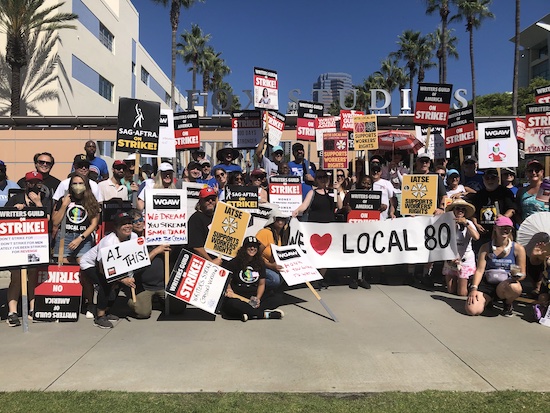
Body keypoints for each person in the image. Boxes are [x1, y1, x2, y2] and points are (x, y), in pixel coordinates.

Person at [4, 171, 52, 326]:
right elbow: (3, 217)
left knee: (33, 276)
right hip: (17, 244)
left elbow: (48, 220)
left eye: (37, 182)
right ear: (26, 184)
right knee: (16, 277)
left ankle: (33, 309)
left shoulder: (45, 198)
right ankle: (12, 312)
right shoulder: (15, 198)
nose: (34, 185)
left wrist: (38, 204)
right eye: (31, 182)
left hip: (35, 244)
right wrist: (14, 210)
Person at [126, 209, 186, 318]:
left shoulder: (156, 233)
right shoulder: (129, 240)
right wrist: (156, 251)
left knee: (178, 307)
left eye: (140, 220)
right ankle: (134, 299)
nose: (138, 223)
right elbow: (137, 263)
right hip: (144, 286)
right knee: (142, 312)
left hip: (163, 284)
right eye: (134, 221)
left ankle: (159, 300)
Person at [465, 216, 527, 317]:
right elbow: (480, 270)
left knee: (516, 288)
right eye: (502, 227)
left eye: (508, 228)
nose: (505, 230)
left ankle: (507, 304)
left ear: (511, 229)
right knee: (472, 310)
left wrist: (517, 276)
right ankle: (488, 300)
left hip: (506, 284)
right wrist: (474, 289)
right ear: (495, 228)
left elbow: (523, 273)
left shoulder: (518, 249)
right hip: (488, 282)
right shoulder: (485, 247)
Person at [292, 169, 342, 288]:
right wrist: (296, 211)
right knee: (313, 253)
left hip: (329, 228)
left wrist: (338, 191)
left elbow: (339, 206)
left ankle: (320, 278)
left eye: (324, 177)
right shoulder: (312, 193)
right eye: (319, 177)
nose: (322, 179)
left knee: (327, 254)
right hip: (314, 228)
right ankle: (313, 277)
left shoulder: (332, 193)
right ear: (316, 179)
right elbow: (304, 206)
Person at [221, 236, 284, 322]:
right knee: (231, 304)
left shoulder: (260, 263)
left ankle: (247, 313)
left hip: (252, 296)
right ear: (244, 248)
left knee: (277, 298)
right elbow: (226, 278)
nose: (252, 248)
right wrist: (229, 289)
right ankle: (264, 314)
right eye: (249, 246)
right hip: (238, 295)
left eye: (255, 246)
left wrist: (258, 298)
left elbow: (262, 284)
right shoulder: (234, 262)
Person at [92, 212, 137, 328]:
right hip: (92, 264)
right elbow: (102, 269)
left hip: (114, 265)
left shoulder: (134, 237)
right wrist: (122, 279)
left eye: (129, 223)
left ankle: (107, 311)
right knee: (106, 283)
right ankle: (100, 317)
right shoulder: (108, 242)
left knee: (116, 283)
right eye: (123, 224)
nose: (128, 226)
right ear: (116, 227)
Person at [51, 173, 100, 263]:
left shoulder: (91, 200)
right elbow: (55, 222)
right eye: (75, 183)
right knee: (63, 267)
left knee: (84, 265)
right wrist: (64, 205)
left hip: (83, 237)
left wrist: (80, 238)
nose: (78, 186)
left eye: (81, 183)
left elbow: (94, 224)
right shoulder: (64, 199)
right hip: (64, 236)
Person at [470, 168, 517, 253]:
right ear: (483, 179)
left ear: (498, 179)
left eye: (493, 178)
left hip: (501, 234)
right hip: (483, 235)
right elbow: (473, 212)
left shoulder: (505, 192)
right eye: (487, 178)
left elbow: (512, 209)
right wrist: (476, 224)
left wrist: (504, 218)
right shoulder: (479, 195)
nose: (490, 180)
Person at [443, 199, 480, 296]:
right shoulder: (447, 223)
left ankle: (467, 283)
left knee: (462, 293)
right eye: (457, 209)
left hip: (464, 259)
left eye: (462, 210)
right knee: (450, 290)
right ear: (453, 210)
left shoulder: (469, 223)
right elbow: (443, 241)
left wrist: (466, 224)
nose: (460, 211)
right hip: (451, 258)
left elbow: (476, 237)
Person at [186, 187, 223, 266]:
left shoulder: (217, 217)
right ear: (200, 201)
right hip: (202, 265)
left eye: (213, 199)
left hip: (218, 262)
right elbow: (196, 247)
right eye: (207, 199)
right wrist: (212, 263)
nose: (210, 201)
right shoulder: (196, 219)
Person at [256, 206, 287, 291]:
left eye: (283, 219)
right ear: (272, 220)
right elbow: (255, 255)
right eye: (278, 219)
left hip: (271, 266)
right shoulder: (265, 233)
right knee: (275, 279)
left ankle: (267, 292)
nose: (281, 222)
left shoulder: (279, 236)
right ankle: (253, 284)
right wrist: (271, 266)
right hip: (260, 266)